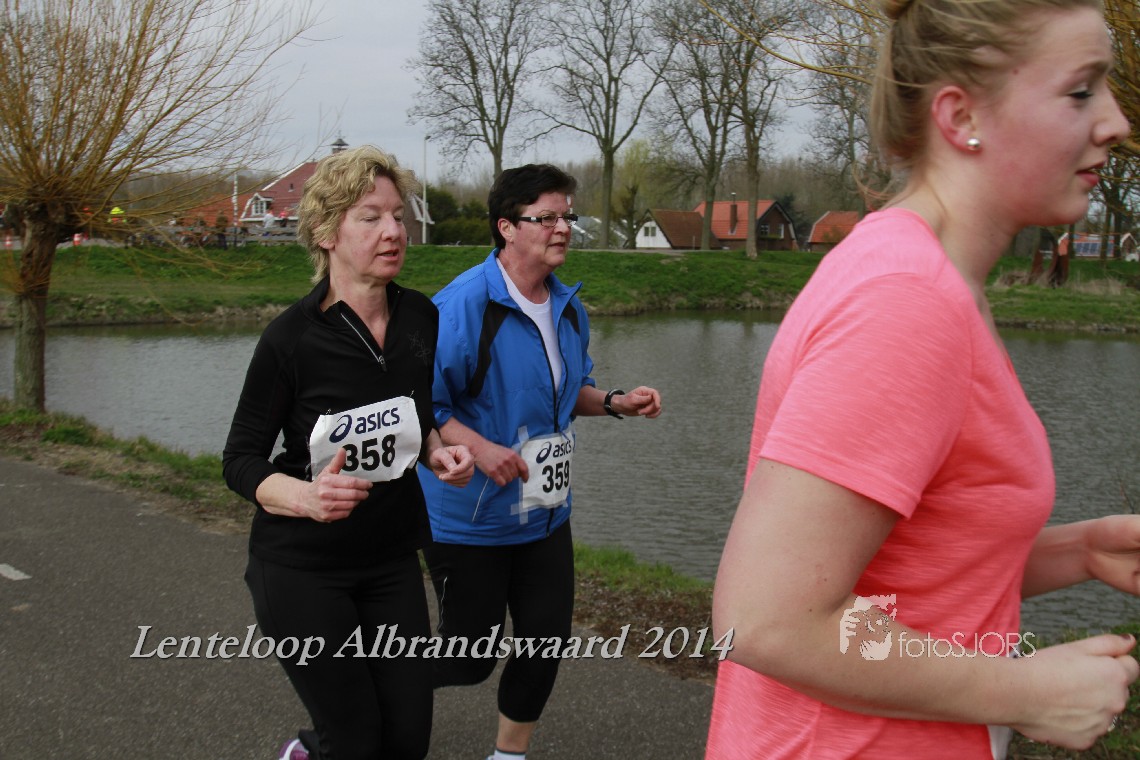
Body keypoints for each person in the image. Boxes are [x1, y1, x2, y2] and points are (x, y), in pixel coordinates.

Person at [706, 0, 1139, 756]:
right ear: (960, 115)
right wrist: (1024, 693)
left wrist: (1082, 551)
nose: (1116, 122)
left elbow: (914, 573)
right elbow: (767, 621)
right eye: (1080, 90)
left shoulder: (928, 277)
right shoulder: (908, 301)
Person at [222, 145, 474, 760]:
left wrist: (438, 451)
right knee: (356, 742)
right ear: (326, 232)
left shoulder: (420, 316)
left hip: (390, 559)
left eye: (398, 216)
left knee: (407, 740)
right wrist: (307, 497)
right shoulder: (291, 339)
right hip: (302, 569)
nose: (394, 231)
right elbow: (240, 459)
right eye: (371, 217)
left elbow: (414, 412)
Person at [418, 163, 663, 760]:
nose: (564, 228)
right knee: (469, 659)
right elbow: (423, 404)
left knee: (544, 644)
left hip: (545, 514)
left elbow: (566, 393)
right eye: (547, 217)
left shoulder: (567, 307)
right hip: (471, 519)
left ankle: (508, 756)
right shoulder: (462, 306)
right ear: (506, 226)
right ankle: (365, 695)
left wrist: (615, 402)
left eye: (567, 216)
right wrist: (478, 448)